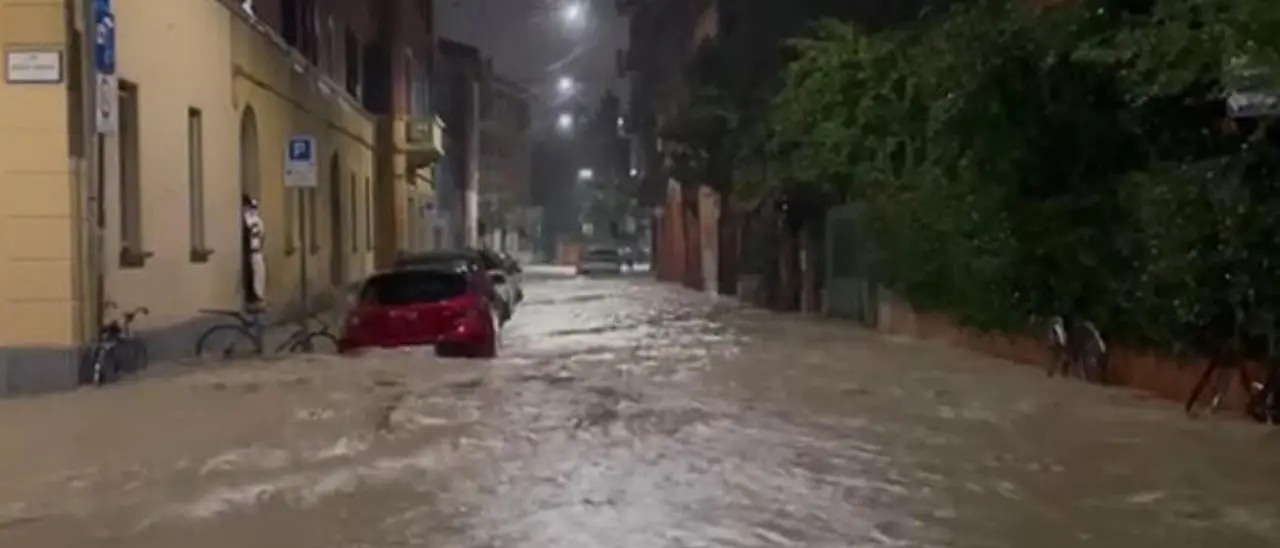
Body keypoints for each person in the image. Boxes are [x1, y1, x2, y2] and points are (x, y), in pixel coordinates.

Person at [241, 195, 266, 308]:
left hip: (255, 250)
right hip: (253, 251)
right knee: (257, 272)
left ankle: (257, 295)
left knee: (259, 272)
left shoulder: (252, 219)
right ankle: (256, 296)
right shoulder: (250, 219)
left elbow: (259, 235)